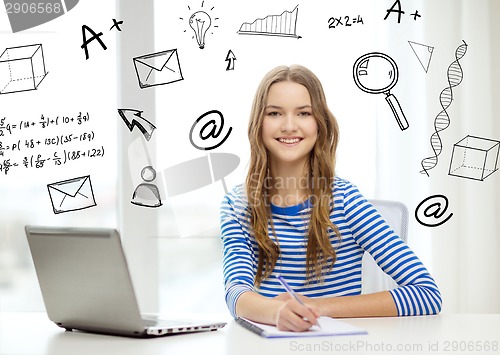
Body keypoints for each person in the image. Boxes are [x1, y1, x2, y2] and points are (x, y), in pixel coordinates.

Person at [220, 65, 441, 332]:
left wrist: (315, 307)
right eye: (275, 113)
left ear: (319, 124)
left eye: (303, 113)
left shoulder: (346, 200)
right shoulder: (237, 205)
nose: (289, 126)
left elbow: (427, 294)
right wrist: (276, 310)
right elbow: (236, 294)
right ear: (258, 123)